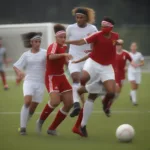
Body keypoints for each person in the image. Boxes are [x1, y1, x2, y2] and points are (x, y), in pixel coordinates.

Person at [66, 17, 119, 137]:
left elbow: (117, 42)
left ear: (111, 27)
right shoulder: (96, 35)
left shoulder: (115, 37)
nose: (102, 28)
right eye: (101, 25)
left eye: (105, 26)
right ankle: (82, 125)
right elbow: (81, 42)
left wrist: (120, 42)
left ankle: (104, 105)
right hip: (93, 63)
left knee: (111, 92)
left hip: (106, 68)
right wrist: (66, 42)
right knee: (83, 78)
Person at [36, 24, 73, 136]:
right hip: (51, 77)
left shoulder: (64, 47)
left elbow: (64, 61)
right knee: (56, 101)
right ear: (56, 38)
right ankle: (41, 120)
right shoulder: (53, 45)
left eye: (64, 37)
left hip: (61, 76)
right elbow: (50, 56)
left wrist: (71, 66)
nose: (63, 39)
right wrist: (64, 54)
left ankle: (52, 128)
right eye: (61, 37)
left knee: (69, 103)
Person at [67, 7, 98, 117]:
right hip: (74, 59)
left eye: (81, 17)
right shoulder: (70, 28)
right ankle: (76, 105)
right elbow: (64, 42)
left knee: (85, 83)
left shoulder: (92, 28)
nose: (79, 19)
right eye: (77, 17)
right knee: (75, 78)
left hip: (87, 60)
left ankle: (84, 103)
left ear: (86, 18)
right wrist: (64, 55)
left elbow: (96, 43)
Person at [13, 32, 46, 135]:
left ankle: (24, 124)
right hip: (29, 81)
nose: (38, 43)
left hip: (40, 83)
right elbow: (16, 66)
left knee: (33, 107)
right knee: (27, 102)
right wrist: (19, 73)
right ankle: (23, 128)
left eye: (39, 41)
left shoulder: (45, 52)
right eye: (36, 41)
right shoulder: (26, 55)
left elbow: (53, 60)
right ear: (31, 42)